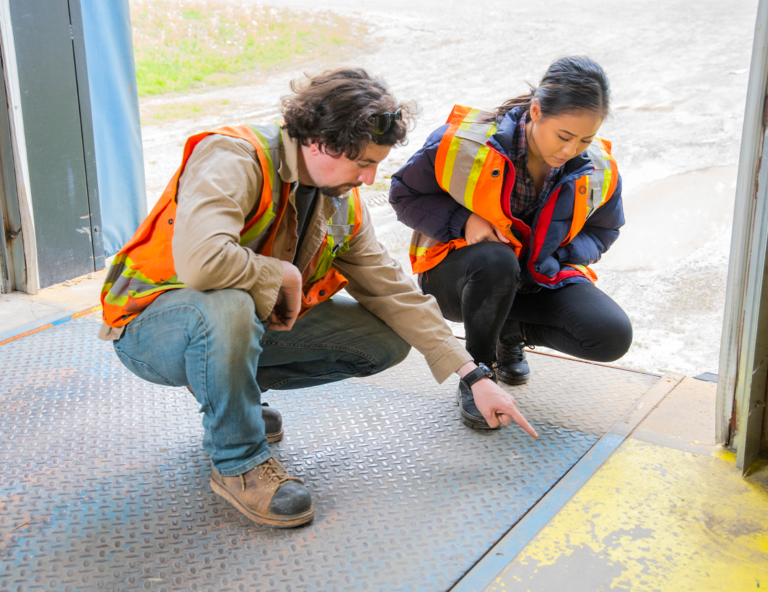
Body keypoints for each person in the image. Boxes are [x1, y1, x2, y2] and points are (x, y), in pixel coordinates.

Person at [98, 68, 537, 530]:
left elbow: (390, 287)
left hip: (229, 325)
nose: (369, 178)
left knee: (383, 340)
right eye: (363, 163)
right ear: (322, 143)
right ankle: (239, 463)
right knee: (228, 303)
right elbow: (202, 263)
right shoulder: (233, 156)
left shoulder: (339, 198)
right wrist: (282, 274)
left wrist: (473, 375)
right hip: (150, 326)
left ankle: (235, 401)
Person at [389, 56, 633, 429]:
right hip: (459, 276)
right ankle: (478, 371)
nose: (570, 150)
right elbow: (403, 195)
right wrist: (463, 221)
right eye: (563, 136)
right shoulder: (462, 144)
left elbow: (604, 230)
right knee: (496, 260)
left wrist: (558, 256)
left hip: (533, 279)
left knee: (610, 336)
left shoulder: (599, 167)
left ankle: (507, 329)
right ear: (536, 111)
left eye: (585, 139)